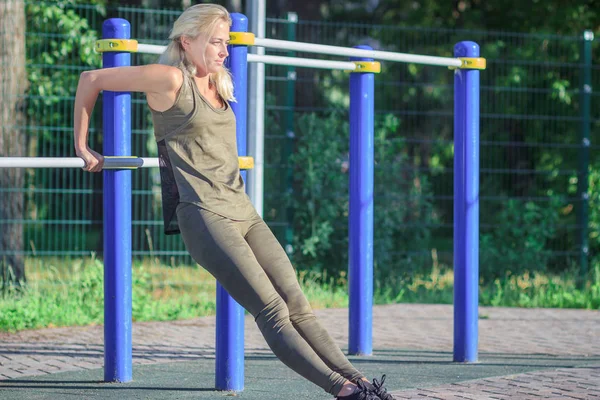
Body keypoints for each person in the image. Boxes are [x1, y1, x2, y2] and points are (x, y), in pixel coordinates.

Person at [73, 4, 395, 400]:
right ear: (187, 41)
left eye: (225, 42)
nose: (224, 51)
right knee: (272, 310)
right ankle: (344, 392)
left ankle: (360, 381)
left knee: (297, 303)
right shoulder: (170, 78)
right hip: (204, 215)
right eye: (216, 42)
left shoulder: (220, 80)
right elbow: (92, 78)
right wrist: (83, 145)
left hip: (243, 210)